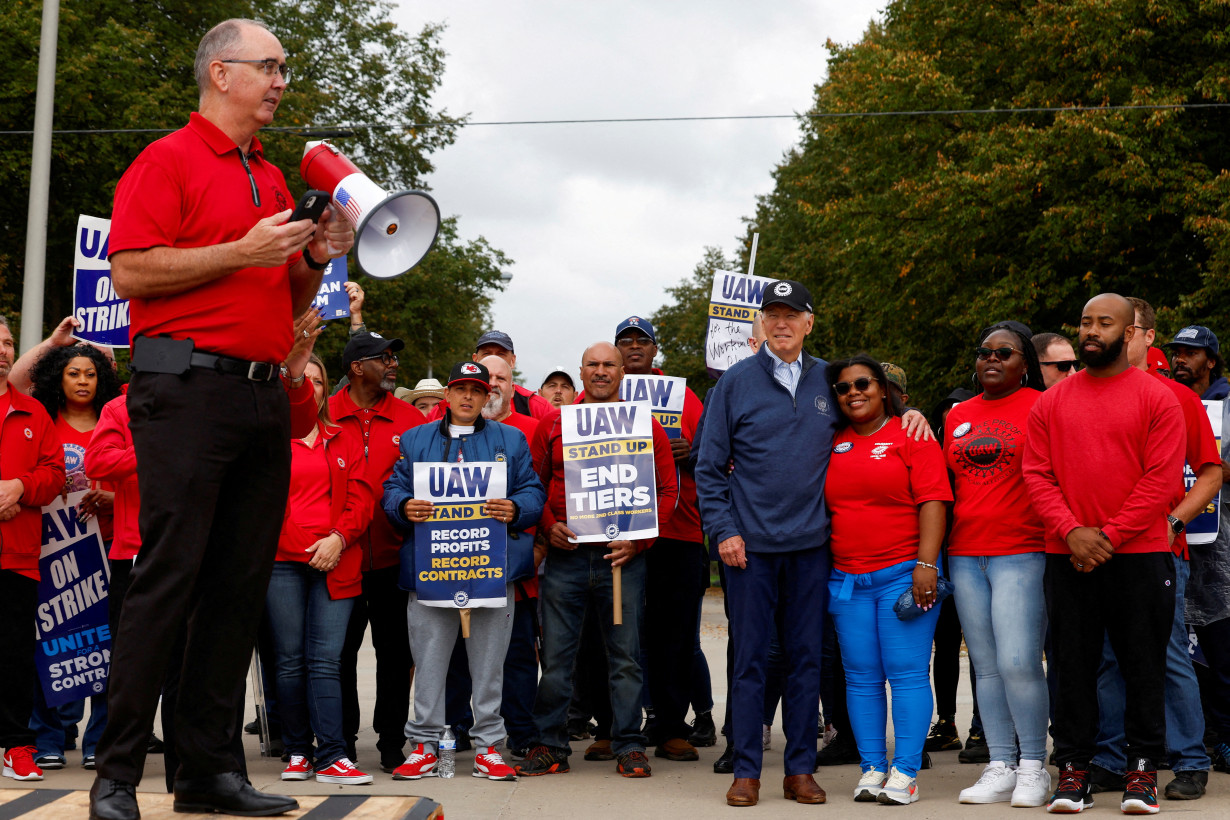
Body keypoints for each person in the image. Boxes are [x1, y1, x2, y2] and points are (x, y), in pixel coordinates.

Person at [90, 18, 354, 820]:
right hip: (185, 389)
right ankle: (116, 775)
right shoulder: (165, 159)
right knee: (168, 578)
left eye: (283, 67)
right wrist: (238, 251)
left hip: (258, 393)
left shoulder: (271, 178)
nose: (280, 80)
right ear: (220, 74)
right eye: (267, 66)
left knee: (238, 585)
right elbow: (131, 269)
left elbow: (286, 299)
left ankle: (208, 773)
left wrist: (313, 258)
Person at [1022, 293, 1185, 815]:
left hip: (1138, 554)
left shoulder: (1159, 398)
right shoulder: (1051, 401)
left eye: (1104, 323)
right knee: (1072, 667)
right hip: (1067, 553)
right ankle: (1073, 771)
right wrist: (1072, 531)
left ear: (1130, 332)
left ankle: (1142, 772)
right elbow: (1036, 474)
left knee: (1143, 665)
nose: (1092, 331)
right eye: (1086, 322)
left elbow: (1161, 481)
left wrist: (1107, 537)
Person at [517, 342, 678, 779]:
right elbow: (531, 482)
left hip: (622, 559)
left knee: (625, 658)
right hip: (566, 559)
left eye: (610, 364)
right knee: (556, 658)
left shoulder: (646, 426)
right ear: (581, 372)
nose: (602, 371)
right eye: (594, 365)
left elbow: (667, 491)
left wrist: (640, 542)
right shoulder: (554, 422)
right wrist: (548, 526)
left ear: (623, 372)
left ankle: (629, 745)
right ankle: (550, 745)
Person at [382, 360, 546, 782]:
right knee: (430, 660)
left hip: (492, 569)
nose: (468, 397)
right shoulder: (416, 439)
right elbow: (394, 488)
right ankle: (424, 745)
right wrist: (403, 507)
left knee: (490, 665)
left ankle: (489, 747)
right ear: (448, 395)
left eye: (477, 389)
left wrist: (516, 508)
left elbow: (532, 489)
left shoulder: (510, 439)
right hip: (432, 569)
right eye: (461, 389)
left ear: (487, 395)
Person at [1087, 298, 1221, 801]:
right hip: (1098, 550)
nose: (1111, 334)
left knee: (1165, 655)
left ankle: (1189, 760)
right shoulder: (1087, 391)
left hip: (1156, 551)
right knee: (1106, 657)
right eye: (1096, 324)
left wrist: (1173, 520)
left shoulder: (1176, 397)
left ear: (1145, 336)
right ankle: (1111, 758)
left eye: (1124, 326)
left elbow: (1209, 473)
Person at [824, 355, 952, 806]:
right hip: (846, 580)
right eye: (843, 388)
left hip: (903, 575)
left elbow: (933, 501)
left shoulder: (911, 434)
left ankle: (906, 771)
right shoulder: (831, 439)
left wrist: (927, 565)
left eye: (863, 383)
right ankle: (873, 767)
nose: (853, 392)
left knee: (907, 675)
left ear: (883, 389)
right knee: (860, 678)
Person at [943, 323, 1052, 807]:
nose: (991, 359)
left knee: (1018, 661)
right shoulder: (957, 415)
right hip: (965, 552)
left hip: (1022, 549)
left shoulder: (1042, 407)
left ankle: (1034, 766)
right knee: (985, 667)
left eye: (1004, 353)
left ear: (1024, 363)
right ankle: (1000, 763)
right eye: (984, 351)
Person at [267, 354, 374, 785]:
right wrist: (304, 547)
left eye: (315, 380)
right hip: (282, 563)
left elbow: (363, 498)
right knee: (290, 662)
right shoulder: (269, 439)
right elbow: (263, 504)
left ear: (324, 388)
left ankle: (332, 754)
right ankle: (296, 751)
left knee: (326, 661)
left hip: (337, 560)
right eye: (298, 379)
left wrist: (337, 540)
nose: (306, 385)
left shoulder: (343, 436)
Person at [613, 315, 708, 763]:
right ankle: (619, 726)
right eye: (625, 341)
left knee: (675, 635)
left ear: (655, 350)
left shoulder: (683, 396)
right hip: (617, 532)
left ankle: (671, 726)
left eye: (642, 341)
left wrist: (693, 452)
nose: (634, 347)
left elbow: (719, 452)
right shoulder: (597, 395)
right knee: (617, 634)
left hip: (679, 530)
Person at [329, 331, 426, 772]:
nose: (392, 365)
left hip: (395, 559)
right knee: (339, 655)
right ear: (355, 367)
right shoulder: (324, 413)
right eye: (383, 358)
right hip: (338, 559)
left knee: (395, 655)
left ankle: (392, 741)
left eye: (393, 357)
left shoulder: (412, 420)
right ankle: (341, 742)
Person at [27, 343, 123, 771]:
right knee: (51, 643)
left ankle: (98, 739)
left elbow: (144, 479)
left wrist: (114, 499)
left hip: (109, 547)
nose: (83, 381)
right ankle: (46, 736)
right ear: (57, 379)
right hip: (52, 551)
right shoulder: (42, 424)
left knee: (107, 646)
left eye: (90, 373)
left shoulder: (117, 423)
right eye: (73, 373)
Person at [0, 316, 67, 783]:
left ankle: (14, 746)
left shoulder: (33, 412)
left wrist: (19, 487)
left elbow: (57, 475)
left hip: (17, 555)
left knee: (13, 656)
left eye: (7, 343)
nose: (3, 351)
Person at [1165, 326, 1230, 400]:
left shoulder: (1226, 402)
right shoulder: (1162, 396)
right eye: (1176, 354)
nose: (1179, 359)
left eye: (1190, 353)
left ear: (1211, 362)